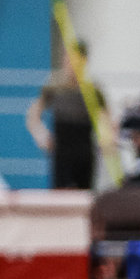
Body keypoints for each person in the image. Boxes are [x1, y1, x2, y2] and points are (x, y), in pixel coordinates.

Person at [26, 53, 100, 194]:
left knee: (84, 194)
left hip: (84, 149)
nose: (72, 66)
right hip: (63, 149)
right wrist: (40, 134)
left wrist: (107, 139)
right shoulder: (54, 86)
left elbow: (105, 118)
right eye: (68, 61)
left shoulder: (93, 90)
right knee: (62, 193)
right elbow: (34, 114)